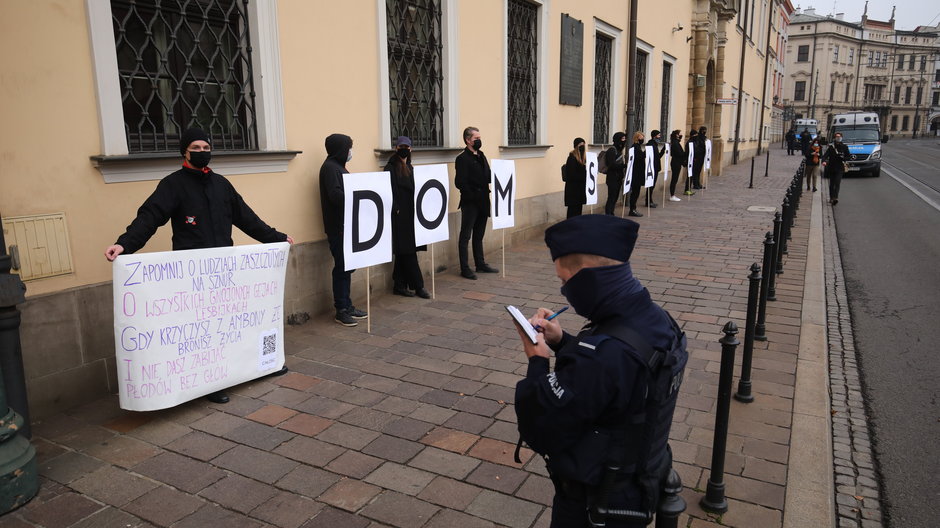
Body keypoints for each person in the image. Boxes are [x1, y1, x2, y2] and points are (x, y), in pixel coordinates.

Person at [513, 214, 688, 528]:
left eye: (565, 281)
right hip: (637, 479)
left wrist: (537, 359)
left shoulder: (604, 356)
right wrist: (561, 340)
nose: (564, 291)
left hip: (596, 505)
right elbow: (613, 385)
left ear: (586, 278)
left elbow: (540, 425)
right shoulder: (657, 319)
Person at [104, 127, 293, 404]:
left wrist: (277, 238)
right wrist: (124, 245)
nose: (202, 152)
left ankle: (249, 368)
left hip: (224, 269)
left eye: (206, 148)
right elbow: (150, 216)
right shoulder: (173, 185)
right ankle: (210, 382)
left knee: (229, 324)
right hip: (192, 277)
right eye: (196, 148)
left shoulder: (222, 185)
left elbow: (247, 218)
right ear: (185, 151)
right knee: (204, 333)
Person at [320, 133, 369, 327]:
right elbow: (336, 196)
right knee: (342, 268)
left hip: (345, 226)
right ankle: (341, 309)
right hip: (338, 228)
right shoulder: (330, 168)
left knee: (347, 267)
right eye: (349, 147)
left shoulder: (338, 167)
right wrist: (357, 193)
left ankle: (347, 305)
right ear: (340, 149)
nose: (351, 152)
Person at [385, 136, 430, 299]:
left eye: (407, 147)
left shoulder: (409, 166)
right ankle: (419, 286)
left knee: (404, 252)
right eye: (401, 146)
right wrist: (395, 209)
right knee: (409, 252)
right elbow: (389, 191)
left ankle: (399, 284)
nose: (404, 149)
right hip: (399, 217)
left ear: (410, 149)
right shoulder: (390, 168)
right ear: (396, 148)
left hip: (412, 215)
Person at [455, 126, 499, 280]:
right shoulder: (462, 158)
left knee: (479, 235)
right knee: (465, 235)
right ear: (468, 140)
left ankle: (480, 264)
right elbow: (459, 182)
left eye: (480, 138)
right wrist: (472, 194)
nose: (479, 141)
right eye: (476, 139)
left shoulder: (481, 155)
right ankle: (465, 268)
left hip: (483, 201)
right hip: (470, 203)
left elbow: (487, 175)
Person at [604, 132, 629, 215]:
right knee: (611, 197)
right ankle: (608, 214)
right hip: (612, 178)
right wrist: (624, 166)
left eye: (625, 139)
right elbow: (611, 165)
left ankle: (611, 212)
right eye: (622, 139)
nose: (624, 140)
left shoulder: (619, 150)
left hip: (618, 178)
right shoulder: (612, 150)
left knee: (615, 197)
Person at [821, 132, 850, 205]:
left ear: (842, 137)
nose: (838, 138)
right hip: (832, 167)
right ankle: (831, 197)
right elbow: (825, 155)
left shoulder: (844, 147)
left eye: (839, 137)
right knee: (832, 184)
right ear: (834, 138)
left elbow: (848, 156)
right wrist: (824, 161)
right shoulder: (831, 147)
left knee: (837, 183)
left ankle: (835, 198)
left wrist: (843, 157)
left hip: (840, 168)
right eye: (837, 137)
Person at [563, 137, 587, 218]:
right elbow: (572, 174)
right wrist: (584, 176)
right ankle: (570, 227)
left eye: (583, 144)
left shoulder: (583, 158)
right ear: (576, 146)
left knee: (578, 210)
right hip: (573, 189)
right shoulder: (572, 158)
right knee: (573, 211)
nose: (582, 146)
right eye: (580, 144)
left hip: (580, 189)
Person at [643, 130, 665, 208]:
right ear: (654, 136)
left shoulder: (654, 144)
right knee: (650, 185)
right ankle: (648, 201)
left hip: (655, 167)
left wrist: (663, 150)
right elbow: (646, 155)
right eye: (658, 135)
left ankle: (650, 200)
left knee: (652, 185)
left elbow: (657, 157)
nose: (659, 137)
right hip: (652, 168)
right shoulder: (650, 144)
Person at [627, 132, 646, 217]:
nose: (642, 139)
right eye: (641, 138)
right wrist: (645, 153)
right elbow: (637, 158)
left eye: (643, 137)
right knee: (635, 192)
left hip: (638, 173)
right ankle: (632, 209)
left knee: (636, 192)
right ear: (637, 138)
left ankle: (633, 208)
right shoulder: (634, 147)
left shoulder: (638, 147)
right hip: (635, 174)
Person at [668, 130, 686, 202]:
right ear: (677, 135)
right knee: (674, 179)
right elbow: (679, 153)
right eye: (680, 134)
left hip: (677, 162)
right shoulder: (675, 143)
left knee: (675, 179)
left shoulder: (676, 142)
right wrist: (687, 153)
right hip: (676, 163)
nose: (681, 135)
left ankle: (672, 195)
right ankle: (672, 195)